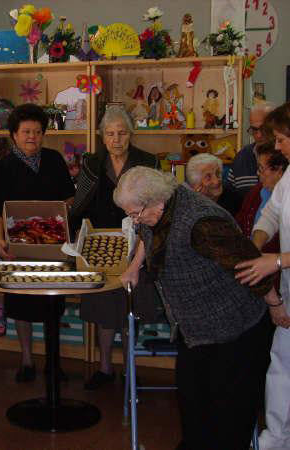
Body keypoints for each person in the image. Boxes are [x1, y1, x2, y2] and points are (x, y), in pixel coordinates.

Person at [114, 166, 281, 450]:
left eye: (135, 213)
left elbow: (249, 264)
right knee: (193, 405)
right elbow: (145, 231)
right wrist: (134, 267)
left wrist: (275, 305)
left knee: (229, 417)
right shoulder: (158, 207)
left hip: (235, 328)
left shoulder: (202, 223)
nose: (134, 220)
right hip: (195, 329)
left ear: (156, 201)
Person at [70, 106, 159, 390]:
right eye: (110, 134)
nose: (116, 139)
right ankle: (105, 367)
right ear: (102, 136)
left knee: (131, 310)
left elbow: (157, 204)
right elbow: (80, 203)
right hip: (101, 245)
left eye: (122, 133)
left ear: (130, 134)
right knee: (104, 311)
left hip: (138, 244)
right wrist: (76, 234)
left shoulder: (147, 161)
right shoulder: (92, 163)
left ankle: (130, 368)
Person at [0, 103, 75, 382]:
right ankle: (26, 360)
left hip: (53, 245)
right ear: (14, 134)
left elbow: (69, 196)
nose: (32, 137)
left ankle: (53, 361)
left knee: (52, 304)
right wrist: (1, 241)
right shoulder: (4, 167)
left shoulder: (54, 160)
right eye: (26, 131)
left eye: (37, 132)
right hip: (19, 248)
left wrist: (61, 212)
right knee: (21, 305)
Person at [235, 102, 290, 450]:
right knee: (281, 365)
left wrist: (277, 261)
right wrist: (254, 247)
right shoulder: (289, 179)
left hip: (283, 270)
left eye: (282, 139)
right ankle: (276, 437)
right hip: (287, 287)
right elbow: (270, 214)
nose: (278, 146)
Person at [235, 143, 287, 254]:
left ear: (279, 171)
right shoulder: (256, 191)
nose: (258, 173)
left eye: (261, 168)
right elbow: (240, 223)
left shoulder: (284, 193)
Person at [227, 102, 275, 198]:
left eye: (264, 128)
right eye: (254, 129)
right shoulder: (241, 157)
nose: (259, 135)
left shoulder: (286, 156)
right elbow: (230, 200)